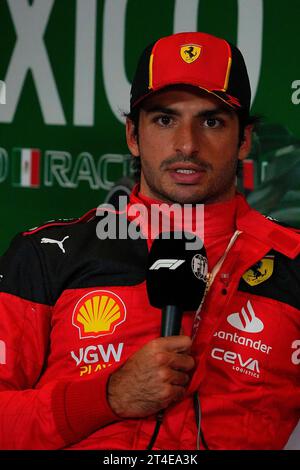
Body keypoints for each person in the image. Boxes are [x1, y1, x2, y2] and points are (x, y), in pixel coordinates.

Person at [0, 31, 300, 451]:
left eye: (211, 121)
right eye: (164, 119)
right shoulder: (47, 255)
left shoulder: (292, 260)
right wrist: (106, 397)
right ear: (132, 136)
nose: (187, 145)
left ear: (245, 140)